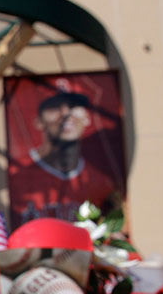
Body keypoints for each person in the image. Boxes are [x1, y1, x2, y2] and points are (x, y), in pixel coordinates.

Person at [8, 77, 119, 225]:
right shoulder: (16, 175)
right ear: (39, 121)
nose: (66, 113)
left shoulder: (100, 181)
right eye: (55, 107)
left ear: (87, 118)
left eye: (74, 106)